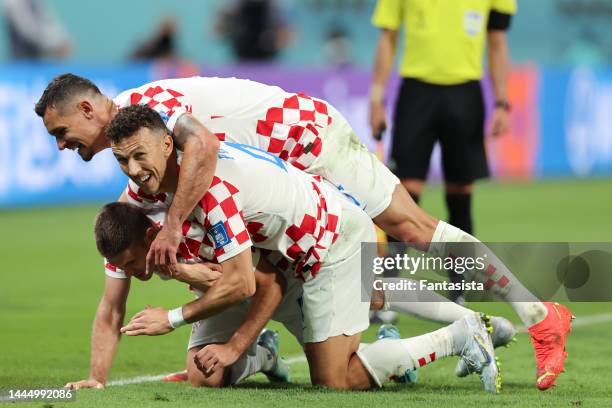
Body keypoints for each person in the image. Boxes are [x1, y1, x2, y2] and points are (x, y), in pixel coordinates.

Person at [35, 74, 571, 390]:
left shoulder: (145, 111)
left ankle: (539, 316)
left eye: (62, 132)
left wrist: (173, 227)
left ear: (87, 108)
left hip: (305, 141)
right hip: (278, 176)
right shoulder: (133, 148)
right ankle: (468, 328)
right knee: (358, 268)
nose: (63, 145)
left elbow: (203, 148)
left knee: (409, 227)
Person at [100, 104, 501, 392]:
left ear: (169, 146)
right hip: (283, 252)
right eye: (122, 161)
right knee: (203, 373)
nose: (133, 170)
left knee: (335, 378)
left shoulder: (212, 191)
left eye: (139, 156)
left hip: (332, 241)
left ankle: (460, 335)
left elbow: (249, 285)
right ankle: (272, 353)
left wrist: (172, 319)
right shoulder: (153, 187)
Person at [368, 0, 572, 390]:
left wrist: (501, 100)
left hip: (466, 94)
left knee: (459, 196)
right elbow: (387, 38)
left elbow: (496, 43)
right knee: (403, 196)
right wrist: (377, 98)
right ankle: (385, 296)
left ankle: (458, 293)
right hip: (416, 91)